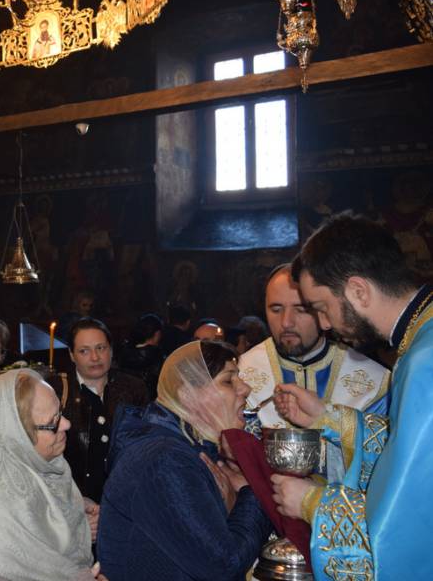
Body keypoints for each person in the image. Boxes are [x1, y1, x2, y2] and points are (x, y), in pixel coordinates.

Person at [270, 213, 433, 580]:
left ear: (358, 291)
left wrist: (313, 502)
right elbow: (410, 454)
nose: (324, 325)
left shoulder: (426, 362)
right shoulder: (423, 338)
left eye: (322, 308)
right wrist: (329, 419)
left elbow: (406, 531)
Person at [98, 340, 272, 580]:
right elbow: (224, 565)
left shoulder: (188, 450)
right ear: (187, 394)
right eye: (228, 380)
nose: (246, 388)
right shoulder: (165, 461)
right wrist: (252, 494)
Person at [0, 369, 103, 581]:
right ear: (17, 435)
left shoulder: (29, 463)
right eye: (53, 421)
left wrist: (77, 509)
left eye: (60, 412)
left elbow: (37, 512)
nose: (66, 424)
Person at [238, 263, 388, 434]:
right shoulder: (240, 375)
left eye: (301, 309)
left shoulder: (375, 382)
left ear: (323, 310)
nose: (286, 322)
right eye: (276, 309)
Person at [52, 317, 149, 502]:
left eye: (101, 348)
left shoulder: (133, 388)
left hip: (125, 497)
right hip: (72, 499)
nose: (95, 357)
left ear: (111, 350)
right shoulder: (55, 390)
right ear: (72, 355)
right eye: (84, 351)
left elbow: (144, 446)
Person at [118, 313, 165, 400]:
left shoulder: (123, 351)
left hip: (125, 399)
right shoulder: (156, 355)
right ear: (157, 334)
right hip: (148, 401)